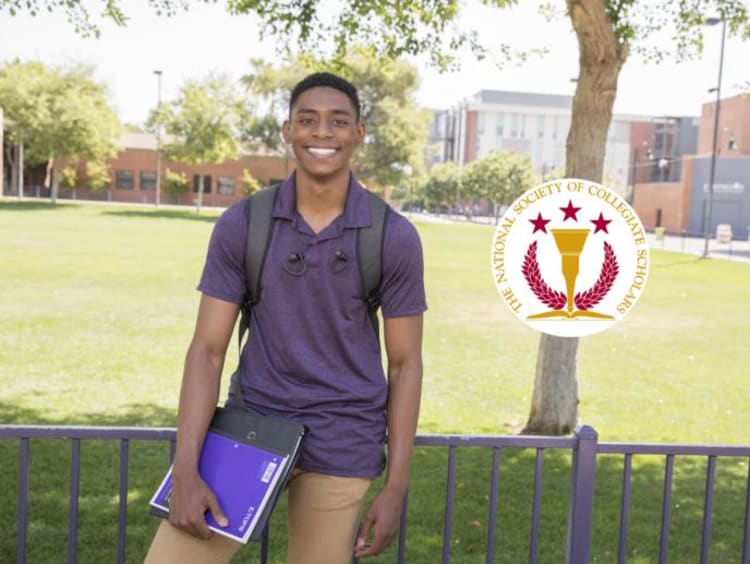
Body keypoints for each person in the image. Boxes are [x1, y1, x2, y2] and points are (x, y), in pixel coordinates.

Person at [144, 72, 426, 564]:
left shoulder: (392, 236)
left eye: (338, 122)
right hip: (250, 428)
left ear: (358, 133)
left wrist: (396, 487)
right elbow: (207, 353)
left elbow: (405, 365)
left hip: (343, 438)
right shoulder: (244, 223)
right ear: (287, 130)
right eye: (308, 120)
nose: (322, 133)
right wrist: (185, 471)